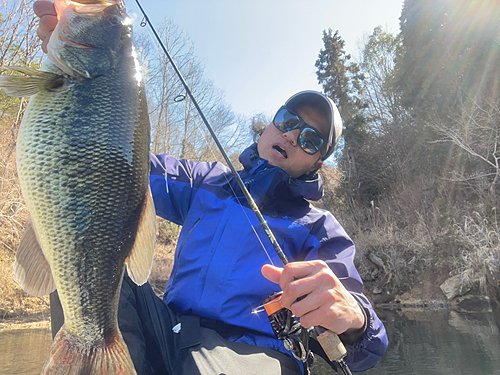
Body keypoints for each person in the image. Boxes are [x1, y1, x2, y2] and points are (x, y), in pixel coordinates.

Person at [35, 2, 388, 374]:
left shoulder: (319, 227)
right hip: (169, 329)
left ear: (318, 164)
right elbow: (119, 168)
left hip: (254, 353)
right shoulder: (206, 181)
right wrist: (82, 68)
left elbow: (371, 345)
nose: (292, 135)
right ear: (269, 124)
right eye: (287, 120)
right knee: (84, 248)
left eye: (312, 140)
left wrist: (354, 317)